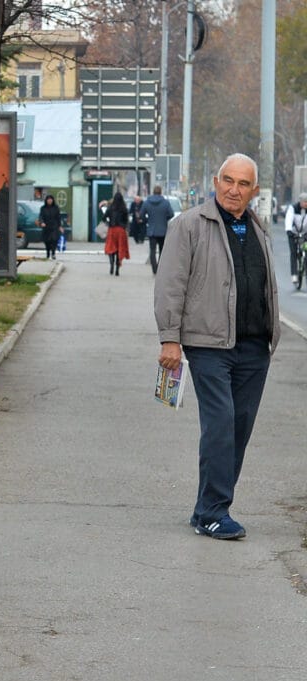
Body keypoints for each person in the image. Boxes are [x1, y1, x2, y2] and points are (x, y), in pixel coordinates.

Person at [154, 153, 279, 540]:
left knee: (238, 429)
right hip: (208, 344)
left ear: (253, 191)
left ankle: (205, 508)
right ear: (215, 180)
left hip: (254, 348)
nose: (234, 190)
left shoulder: (258, 229)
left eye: (243, 184)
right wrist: (170, 338)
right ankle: (214, 510)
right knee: (221, 425)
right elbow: (170, 284)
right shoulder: (189, 225)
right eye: (228, 180)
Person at [141, 185, 174, 275]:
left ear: (153, 192)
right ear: (160, 192)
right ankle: (160, 268)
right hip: (163, 230)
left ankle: (154, 269)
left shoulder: (147, 202)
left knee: (152, 250)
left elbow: (141, 215)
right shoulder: (165, 203)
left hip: (152, 230)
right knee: (162, 250)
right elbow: (171, 214)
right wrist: (164, 219)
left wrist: (148, 220)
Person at [101, 192, 129, 276]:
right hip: (121, 230)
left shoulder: (110, 208)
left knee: (110, 248)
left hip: (112, 230)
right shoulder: (124, 208)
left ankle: (111, 264)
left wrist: (108, 223)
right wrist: (124, 227)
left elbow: (104, 218)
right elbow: (126, 220)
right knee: (119, 249)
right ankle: (117, 268)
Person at [284, 192, 307, 285]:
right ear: (300, 202)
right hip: (293, 233)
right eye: (305, 202)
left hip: (305, 234)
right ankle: (294, 274)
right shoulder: (293, 208)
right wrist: (288, 230)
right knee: (293, 253)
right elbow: (288, 219)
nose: (306, 204)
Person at [38, 194, 63, 260]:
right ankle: (48, 253)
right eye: (48, 199)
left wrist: (60, 226)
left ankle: (53, 253)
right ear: (46, 200)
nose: (49, 201)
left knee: (54, 240)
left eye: (51, 199)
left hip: (54, 226)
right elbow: (41, 216)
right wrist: (42, 222)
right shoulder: (43, 208)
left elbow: (58, 217)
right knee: (47, 241)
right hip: (46, 226)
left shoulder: (56, 207)